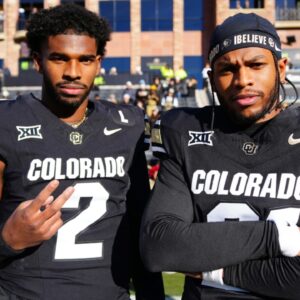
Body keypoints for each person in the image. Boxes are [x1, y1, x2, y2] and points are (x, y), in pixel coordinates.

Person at [0, 4, 164, 300]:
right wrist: (7, 240)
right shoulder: (7, 122)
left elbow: (140, 229)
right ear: (37, 61)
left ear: (99, 63)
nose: (73, 72)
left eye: (85, 60)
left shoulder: (127, 125)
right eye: (59, 59)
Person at [140, 12, 300, 300]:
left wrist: (217, 273)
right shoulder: (186, 131)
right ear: (212, 79)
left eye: (256, 65)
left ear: (281, 67)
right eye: (227, 69)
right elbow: (160, 245)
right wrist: (278, 237)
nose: (242, 80)